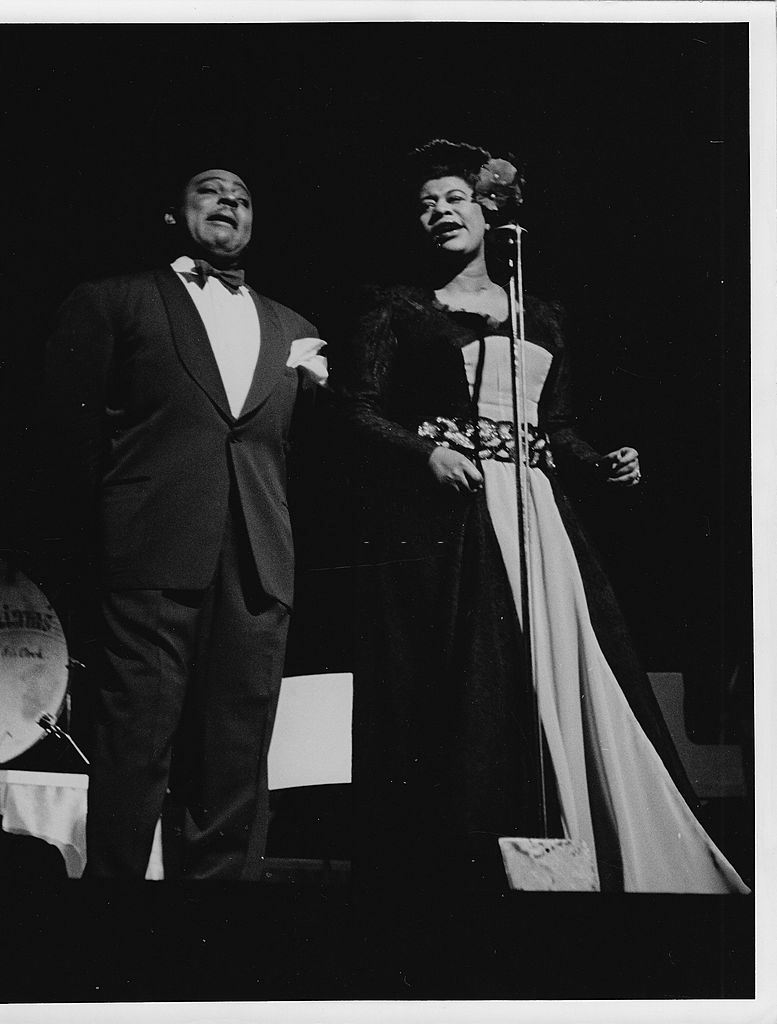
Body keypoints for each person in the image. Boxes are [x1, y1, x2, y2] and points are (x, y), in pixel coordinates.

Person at [338, 139, 748, 894]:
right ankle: (479, 861)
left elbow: (554, 429)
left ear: (489, 208)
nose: (438, 214)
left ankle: (587, 842)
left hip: (537, 514)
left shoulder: (542, 314)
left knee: (566, 661)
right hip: (454, 520)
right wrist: (422, 452)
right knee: (477, 677)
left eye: (453, 198)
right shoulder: (398, 309)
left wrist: (601, 462)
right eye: (425, 205)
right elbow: (356, 408)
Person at [45, 164, 327, 879]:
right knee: (135, 741)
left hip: (258, 559)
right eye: (210, 189)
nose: (229, 199)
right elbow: (70, 440)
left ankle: (215, 937)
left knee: (235, 752)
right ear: (173, 214)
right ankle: (115, 923)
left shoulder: (293, 328)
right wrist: (110, 534)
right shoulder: (114, 301)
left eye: (243, 195)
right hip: (151, 549)